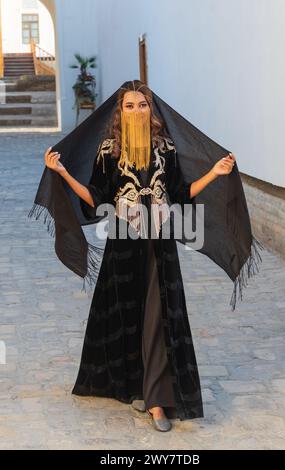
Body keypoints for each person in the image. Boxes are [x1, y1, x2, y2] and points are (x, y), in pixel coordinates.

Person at [43, 80, 235, 432]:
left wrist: (214, 173)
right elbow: (97, 198)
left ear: (151, 109)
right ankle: (134, 385)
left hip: (160, 245)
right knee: (130, 315)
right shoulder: (109, 152)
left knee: (160, 317)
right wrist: (64, 173)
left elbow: (179, 193)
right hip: (124, 243)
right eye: (129, 106)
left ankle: (158, 400)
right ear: (121, 112)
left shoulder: (166, 148)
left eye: (142, 105)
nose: (136, 110)